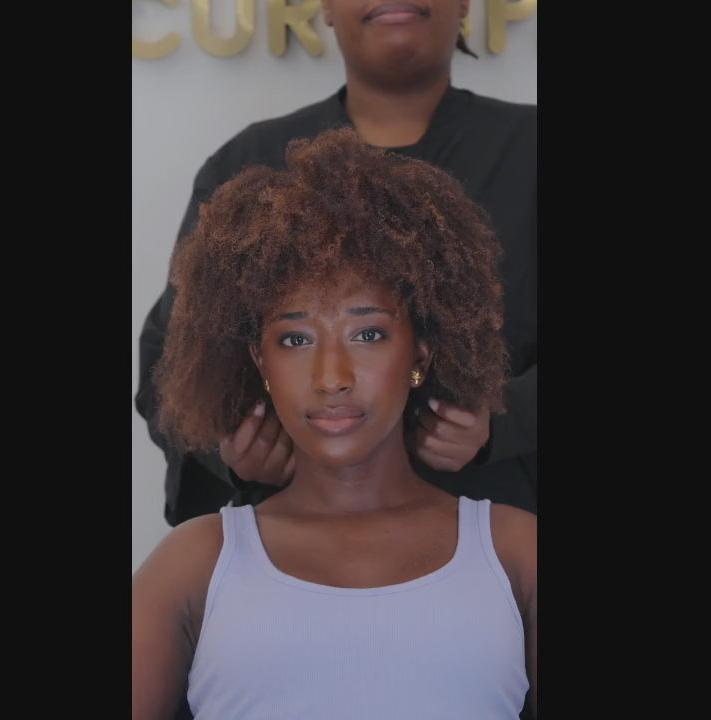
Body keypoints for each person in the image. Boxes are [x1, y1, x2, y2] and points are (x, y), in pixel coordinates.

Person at [132, 128, 536, 720]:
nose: (332, 376)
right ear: (259, 362)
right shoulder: (194, 564)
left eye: (367, 333)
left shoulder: (517, 553)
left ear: (421, 353)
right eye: (295, 339)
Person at [135, 0, 538, 525]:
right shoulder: (247, 164)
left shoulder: (530, 150)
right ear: (325, 6)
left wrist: (506, 423)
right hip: (289, 541)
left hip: (501, 530)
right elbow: (169, 362)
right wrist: (229, 450)